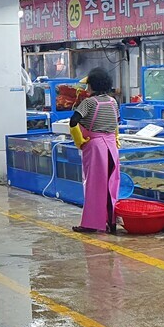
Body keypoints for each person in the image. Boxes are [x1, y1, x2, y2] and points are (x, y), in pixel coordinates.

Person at [69, 68, 120, 234]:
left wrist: (79, 141)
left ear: (91, 85)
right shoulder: (113, 102)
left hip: (95, 146)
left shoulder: (89, 102)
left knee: (93, 185)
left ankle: (91, 224)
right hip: (112, 146)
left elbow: (73, 121)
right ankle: (112, 222)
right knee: (111, 184)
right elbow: (116, 122)